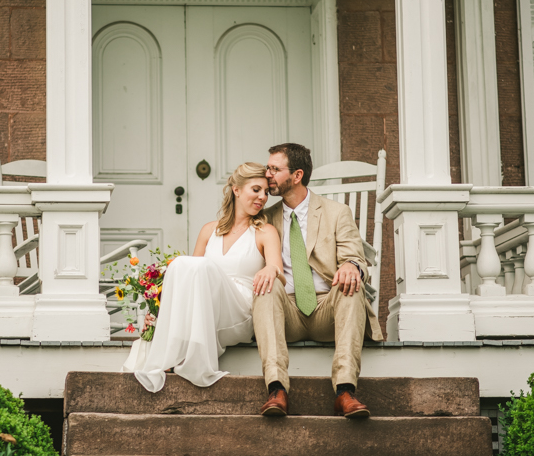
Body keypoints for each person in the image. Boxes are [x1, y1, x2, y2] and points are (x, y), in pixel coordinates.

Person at [253, 143, 383, 418]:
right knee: (268, 284)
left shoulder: (337, 212)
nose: (267, 175)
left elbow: (358, 259)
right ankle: (277, 390)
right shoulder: (265, 219)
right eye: (268, 168)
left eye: (275, 169)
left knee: (350, 285)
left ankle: (345, 391)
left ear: (297, 175)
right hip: (285, 312)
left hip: (327, 310)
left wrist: (350, 266)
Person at [130, 162, 283, 393]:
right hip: (207, 309)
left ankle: (190, 358)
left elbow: (278, 273)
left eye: (266, 192)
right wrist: (158, 312)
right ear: (237, 190)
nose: (262, 197)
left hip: (240, 311)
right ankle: (175, 351)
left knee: (200, 266)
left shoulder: (265, 232)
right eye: (256, 189)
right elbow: (188, 281)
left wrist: (272, 268)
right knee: (182, 263)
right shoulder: (209, 230)